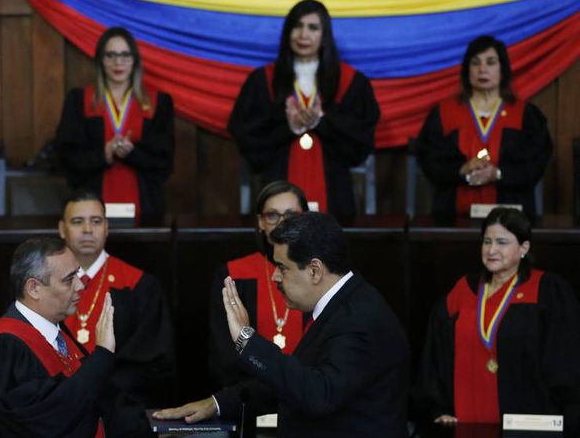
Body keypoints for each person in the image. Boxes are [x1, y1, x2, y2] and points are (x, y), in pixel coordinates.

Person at [155, 212, 410, 437]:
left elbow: (318, 394)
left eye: (282, 268)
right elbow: (294, 380)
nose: (275, 276)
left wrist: (247, 339)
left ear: (314, 271)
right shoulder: (343, 304)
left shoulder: (359, 320)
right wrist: (217, 403)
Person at [414, 207, 580, 433]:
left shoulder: (547, 292)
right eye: (486, 241)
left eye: (502, 242)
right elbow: (435, 356)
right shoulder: (462, 291)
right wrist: (437, 407)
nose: (491, 250)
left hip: (527, 427)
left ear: (524, 248)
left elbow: (564, 364)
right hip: (465, 423)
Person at [228, 0, 379, 216]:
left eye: (313, 27)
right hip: (276, 187)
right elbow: (246, 135)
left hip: (334, 192)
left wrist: (322, 123)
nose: (303, 35)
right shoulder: (263, 81)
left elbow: (360, 142)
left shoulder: (351, 82)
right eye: (297, 26)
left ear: (324, 34)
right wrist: (288, 126)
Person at [0, 237, 122, 437]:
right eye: (69, 279)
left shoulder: (56, 332)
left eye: (77, 274)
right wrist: (101, 355)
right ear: (34, 288)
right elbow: (50, 419)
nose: (80, 286)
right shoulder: (7, 345)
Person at [58, 189, 176, 407]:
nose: (87, 230)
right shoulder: (44, 285)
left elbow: (152, 363)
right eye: (77, 221)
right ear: (62, 229)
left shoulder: (138, 284)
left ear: (106, 228)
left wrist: (94, 392)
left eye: (96, 221)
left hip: (116, 406)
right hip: (56, 405)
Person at [416, 35, 552, 218]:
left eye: (491, 62)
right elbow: (429, 160)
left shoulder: (525, 115)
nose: (482, 69)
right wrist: (462, 169)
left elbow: (536, 163)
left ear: (502, 70)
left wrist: (498, 173)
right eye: (475, 63)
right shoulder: (444, 114)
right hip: (454, 218)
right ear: (466, 71)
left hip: (511, 218)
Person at [55, 27, 174, 220]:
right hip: (90, 215)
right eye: (110, 55)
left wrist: (132, 153)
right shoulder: (79, 101)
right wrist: (105, 153)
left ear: (134, 60)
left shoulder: (157, 103)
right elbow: (66, 159)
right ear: (100, 60)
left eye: (125, 55)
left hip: (145, 211)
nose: (118, 62)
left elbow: (164, 165)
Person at [209, 180, 309, 387]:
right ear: (261, 223)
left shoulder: (318, 273)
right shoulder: (233, 274)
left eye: (291, 215)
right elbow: (224, 353)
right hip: (248, 395)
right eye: (273, 215)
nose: (283, 223)